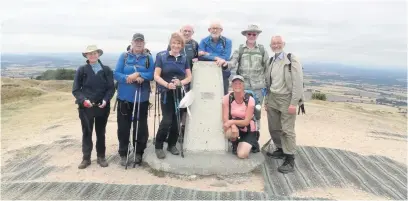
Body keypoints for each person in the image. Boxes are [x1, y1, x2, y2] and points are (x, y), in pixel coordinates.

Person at [221, 24, 269, 152]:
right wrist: (225, 64)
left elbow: (267, 69)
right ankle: (237, 140)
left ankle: (254, 140)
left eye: (254, 34)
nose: (252, 36)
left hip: (258, 88)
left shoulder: (263, 50)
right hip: (242, 88)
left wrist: (268, 89)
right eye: (249, 34)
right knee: (239, 114)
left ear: (257, 35)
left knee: (256, 115)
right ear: (246, 35)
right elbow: (232, 62)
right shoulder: (240, 49)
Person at [264, 35, 304, 173]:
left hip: (287, 99)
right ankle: (281, 149)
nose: (276, 45)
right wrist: (267, 100)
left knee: (287, 130)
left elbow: (298, 83)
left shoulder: (292, 60)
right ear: (271, 46)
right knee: (274, 127)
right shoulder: (270, 61)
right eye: (273, 43)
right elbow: (268, 83)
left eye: (278, 43)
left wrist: (294, 103)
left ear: (283, 44)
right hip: (273, 98)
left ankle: (290, 158)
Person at [114, 33, 155, 166]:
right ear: (132, 42)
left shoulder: (148, 58)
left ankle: (139, 152)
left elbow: (152, 74)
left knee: (140, 127)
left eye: (141, 42)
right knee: (123, 127)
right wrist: (128, 78)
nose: (138, 43)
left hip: (141, 98)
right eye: (136, 41)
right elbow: (116, 74)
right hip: (124, 97)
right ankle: (123, 153)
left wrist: (139, 74)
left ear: (144, 43)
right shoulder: (124, 56)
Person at [72, 45, 114, 169]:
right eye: (89, 53)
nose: (92, 55)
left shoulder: (106, 70)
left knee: (101, 132)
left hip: (102, 107)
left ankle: (101, 157)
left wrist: (106, 100)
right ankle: (86, 158)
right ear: (86, 56)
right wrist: (83, 100)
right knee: (87, 132)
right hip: (86, 107)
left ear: (98, 54)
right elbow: (75, 90)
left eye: (94, 53)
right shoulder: (82, 70)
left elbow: (111, 88)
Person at [154, 32, 192, 159]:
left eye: (179, 43)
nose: (176, 45)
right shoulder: (161, 56)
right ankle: (158, 146)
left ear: (182, 45)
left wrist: (181, 82)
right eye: (174, 43)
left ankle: (171, 145)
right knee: (167, 120)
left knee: (177, 121)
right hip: (167, 92)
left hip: (180, 92)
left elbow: (189, 77)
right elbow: (156, 76)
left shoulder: (184, 58)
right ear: (170, 43)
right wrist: (167, 84)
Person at [222, 75, 258, 159]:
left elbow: (246, 121)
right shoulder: (227, 98)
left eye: (240, 83)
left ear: (243, 85)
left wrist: (231, 122)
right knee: (227, 130)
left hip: (247, 128)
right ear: (232, 85)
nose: (237, 85)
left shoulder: (250, 100)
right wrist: (233, 125)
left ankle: (253, 141)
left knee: (242, 155)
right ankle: (235, 143)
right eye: (235, 83)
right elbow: (225, 118)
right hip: (235, 127)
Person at [197, 22, 232, 95]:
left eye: (217, 28)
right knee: (208, 95)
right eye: (213, 28)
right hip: (207, 73)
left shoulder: (227, 42)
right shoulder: (203, 41)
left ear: (221, 30)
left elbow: (226, 57)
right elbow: (200, 56)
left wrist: (208, 54)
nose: (215, 30)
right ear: (209, 30)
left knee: (223, 95)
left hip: (222, 73)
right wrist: (216, 57)